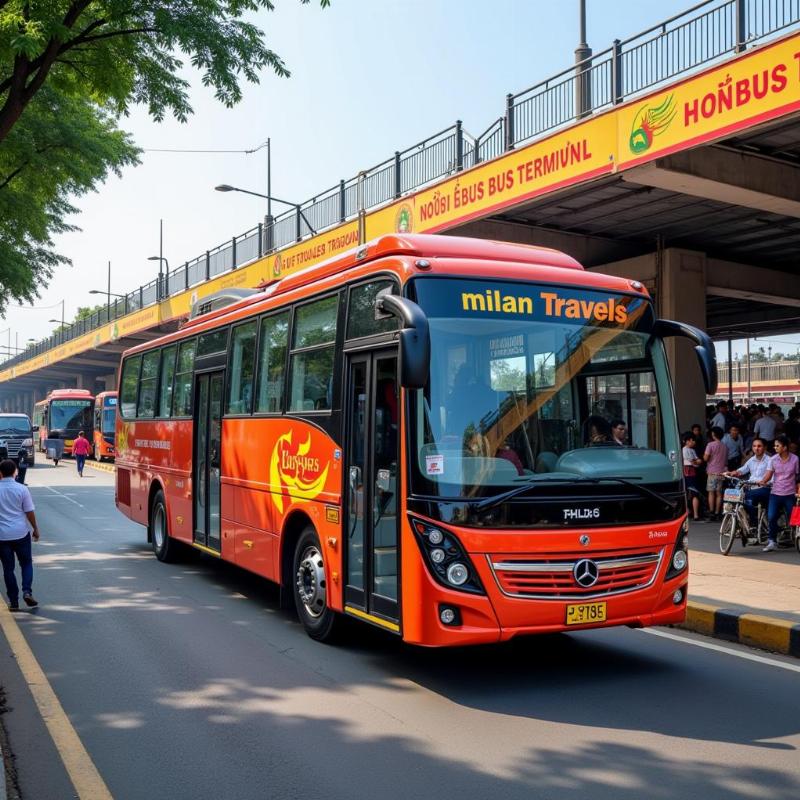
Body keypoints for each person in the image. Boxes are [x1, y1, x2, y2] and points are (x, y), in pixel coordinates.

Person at [0, 459, 40, 611]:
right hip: (20, 533)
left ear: (0, 472)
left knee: (8, 568)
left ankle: (14, 602)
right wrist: (35, 529)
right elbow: (29, 512)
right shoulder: (22, 489)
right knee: (26, 563)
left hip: (2, 536)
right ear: (15, 471)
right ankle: (27, 591)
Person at [758, 434, 799, 552]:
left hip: (790, 494)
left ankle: (795, 537)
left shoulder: (795, 459)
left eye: (777, 446)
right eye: (775, 446)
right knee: (771, 517)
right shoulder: (773, 459)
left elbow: (797, 476)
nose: (775, 447)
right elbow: (768, 474)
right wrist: (762, 481)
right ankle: (772, 541)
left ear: (785, 447)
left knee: (794, 519)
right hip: (775, 493)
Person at [724, 438, 771, 531]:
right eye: (754, 446)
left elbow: (771, 478)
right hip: (751, 487)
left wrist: (763, 482)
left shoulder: (770, 460)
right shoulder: (752, 460)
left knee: (747, 498)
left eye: (759, 446)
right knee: (734, 496)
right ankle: (741, 523)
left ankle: (754, 524)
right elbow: (743, 469)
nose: (756, 448)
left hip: (764, 488)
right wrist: (733, 472)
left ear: (765, 448)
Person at [704, 426, 728, 521]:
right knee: (719, 493)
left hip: (712, 472)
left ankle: (711, 512)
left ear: (713, 434)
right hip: (721, 472)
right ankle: (718, 513)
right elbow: (726, 461)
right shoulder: (725, 446)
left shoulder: (710, 445)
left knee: (711, 493)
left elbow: (705, 458)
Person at [682, 432, 704, 522]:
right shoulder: (684, 450)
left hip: (692, 472)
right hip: (688, 471)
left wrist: (696, 461)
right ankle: (691, 513)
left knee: (693, 493)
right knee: (690, 492)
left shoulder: (692, 450)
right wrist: (696, 461)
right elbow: (694, 461)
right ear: (687, 441)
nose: (694, 442)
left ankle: (694, 514)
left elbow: (698, 461)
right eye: (692, 440)